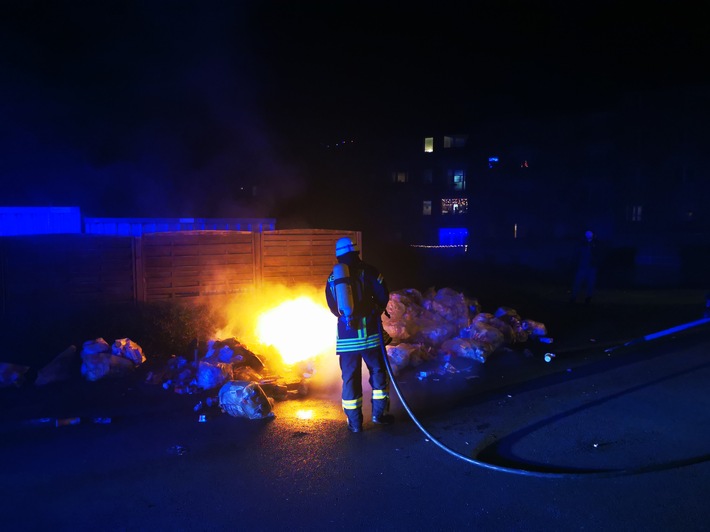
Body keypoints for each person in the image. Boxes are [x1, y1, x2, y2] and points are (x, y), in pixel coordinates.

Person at [325, 236, 393, 433]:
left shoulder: (332, 278)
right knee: (378, 373)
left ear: (338, 256)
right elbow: (383, 295)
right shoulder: (370, 271)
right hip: (370, 336)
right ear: (356, 252)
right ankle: (379, 415)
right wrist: (374, 311)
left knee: (349, 379)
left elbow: (332, 307)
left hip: (346, 342)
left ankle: (355, 424)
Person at [569, 229, 602, 304]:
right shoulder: (582, 244)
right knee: (578, 282)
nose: (589, 235)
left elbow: (598, 254)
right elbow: (577, 254)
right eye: (587, 234)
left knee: (590, 283)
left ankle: (587, 298)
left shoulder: (595, 244)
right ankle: (574, 297)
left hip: (591, 267)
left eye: (590, 234)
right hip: (582, 266)